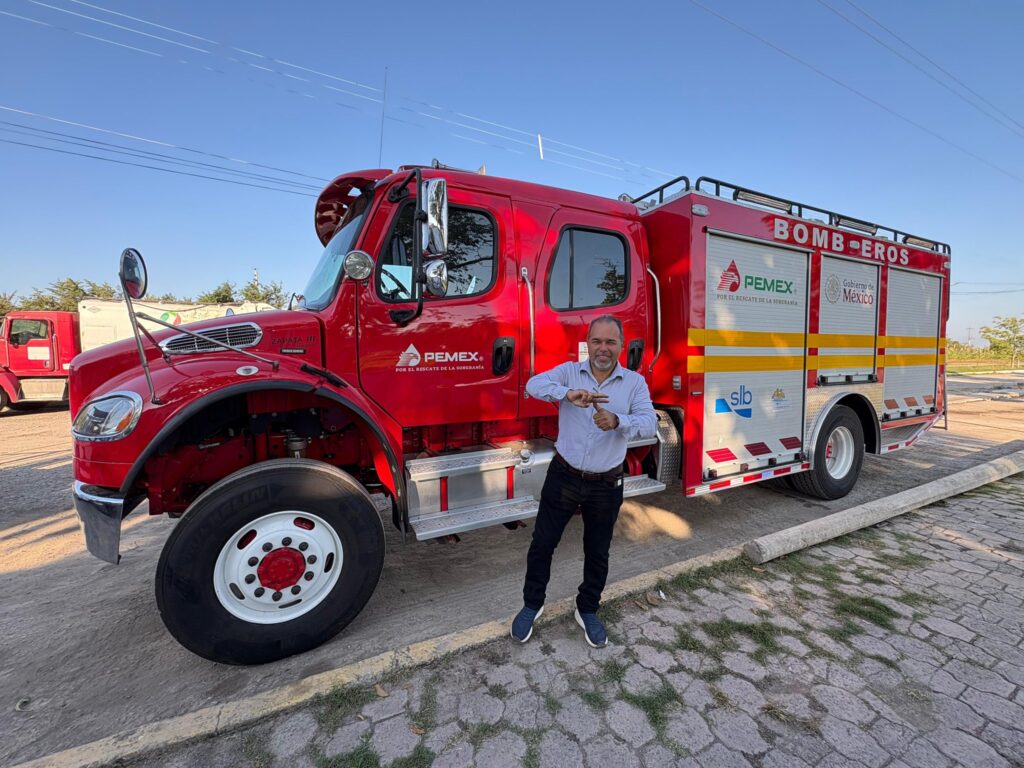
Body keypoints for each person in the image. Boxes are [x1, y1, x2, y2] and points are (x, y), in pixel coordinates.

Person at [511, 315, 657, 647]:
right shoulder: (568, 372)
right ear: (587, 343)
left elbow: (650, 423)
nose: (603, 348)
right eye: (597, 341)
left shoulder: (634, 383)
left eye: (610, 342)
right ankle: (532, 605)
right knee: (542, 545)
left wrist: (618, 421)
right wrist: (568, 394)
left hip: (605, 484)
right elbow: (533, 385)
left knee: (597, 552)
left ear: (621, 345)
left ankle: (587, 609)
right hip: (563, 476)